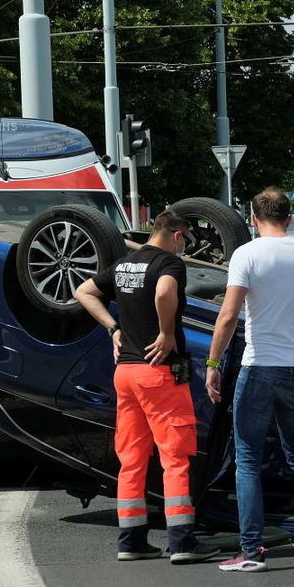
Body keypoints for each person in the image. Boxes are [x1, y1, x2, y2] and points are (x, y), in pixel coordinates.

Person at [205, 187, 294, 573]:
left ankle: (251, 551)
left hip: (260, 366)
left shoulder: (246, 254)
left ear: (253, 217)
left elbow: (229, 315)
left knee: (247, 459)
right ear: (289, 219)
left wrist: (213, 362)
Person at [75, 210, 220, 564]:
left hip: (126, 372)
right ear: (174, 234)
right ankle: (183, 541)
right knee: (175, 457)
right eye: (184, 238)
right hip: (160, 372)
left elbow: (84, 291)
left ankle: (131, 540)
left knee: (132, 458)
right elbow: (165, 291)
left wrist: (113, 328)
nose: (184, 245)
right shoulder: (168, 264)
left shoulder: (125, 265)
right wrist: (166, 333)